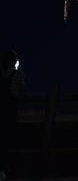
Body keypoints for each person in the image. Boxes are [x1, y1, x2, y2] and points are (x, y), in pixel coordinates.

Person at [0, 50, 25, 181]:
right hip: (9, 112)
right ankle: (3, 169)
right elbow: (18, 91)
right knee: (6, 141)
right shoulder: (17, 75)